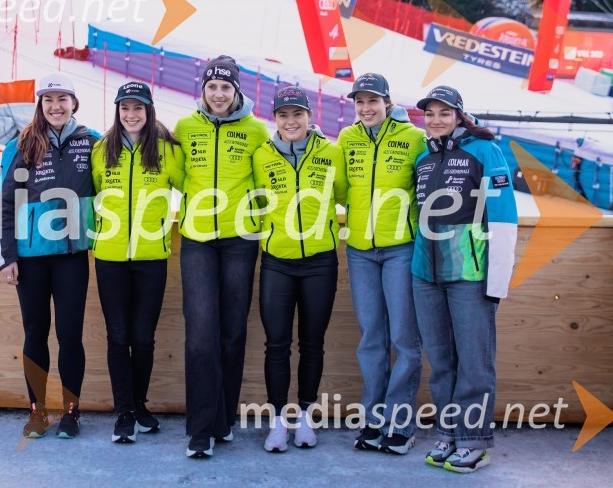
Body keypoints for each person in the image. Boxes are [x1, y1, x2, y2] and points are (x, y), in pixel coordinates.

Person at [411, 86, 517, 473]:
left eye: (444, 112)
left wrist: (497, 281)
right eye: (430, 113)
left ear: (459, 115)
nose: (436, 119)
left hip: (470, 274)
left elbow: (503, 216)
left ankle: (473, 442)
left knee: (474, 363)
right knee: (441, 363)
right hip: (425, 274)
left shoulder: (485, 151)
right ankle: (448, 434)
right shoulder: (423, 157)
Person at [0, 72, 100, 439]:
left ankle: (71, 411)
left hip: (72, 254)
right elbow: (5, 203)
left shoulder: (92, 141)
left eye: (62, 99)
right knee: (35, 333)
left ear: (74, 103)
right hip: (31, 256)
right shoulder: (20, 144)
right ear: (40, 105)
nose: (56, 106)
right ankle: (37, 411)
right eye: (48, 100)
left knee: (70, 335)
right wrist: (7, 256)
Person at [174, 55, 269, 458]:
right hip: (197, 240)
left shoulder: (256, 130)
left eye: (225, 87)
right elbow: (174, 173)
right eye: (211, 87)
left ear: (236, 91)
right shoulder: (185, 127)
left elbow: (270, 172)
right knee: (200, 334)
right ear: (203, 89)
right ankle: (201, 430)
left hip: (240, 240)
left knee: (232, 332)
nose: (218, 94)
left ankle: (223, 419)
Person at [251, 86, 347, 452]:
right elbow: (254, 200)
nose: (291, 121)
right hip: (277, 261)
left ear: (309, 116)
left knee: (312, 343)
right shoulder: (262, 156)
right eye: (283, 115)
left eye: (297, 114)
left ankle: (305, 417)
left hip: (320, 262)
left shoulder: (331, 152)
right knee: (276, 344)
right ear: (274, 119)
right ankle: (277, 421)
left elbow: (345, 195)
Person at [337, 73, 427, 455]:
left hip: (400, 249)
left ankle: (400, 424)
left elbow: (426, 188)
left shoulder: (414, 137)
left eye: (373, 100)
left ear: (387, 102)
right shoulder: (347, 138)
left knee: (404, 339)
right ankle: (373, 420)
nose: (366, 108)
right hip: (359, 250)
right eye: (359, 101)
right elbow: (339, 189)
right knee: (371, 338)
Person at [91, 81, 185, 443]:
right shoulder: (102, 150)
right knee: (118, 337)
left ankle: (140, 406)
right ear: (117, 111)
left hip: (151, 258)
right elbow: (89, 195)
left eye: (138, 108)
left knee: (144, 338)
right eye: (125, 108)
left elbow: (193, 188)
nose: (131, 115)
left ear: (149, 111)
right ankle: (124, 412)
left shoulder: (167, 151)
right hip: (110, 257)